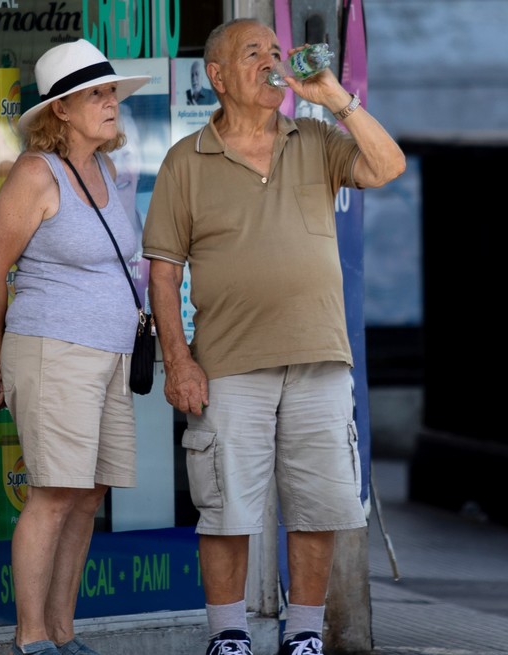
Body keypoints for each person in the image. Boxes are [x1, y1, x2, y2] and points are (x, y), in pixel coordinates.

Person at [142, 18, 406, 655]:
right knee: (226, 508)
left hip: (319, 357)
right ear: (216, 76)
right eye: (252, 52)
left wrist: (334, 96)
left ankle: (305, 637)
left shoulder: (314, 137)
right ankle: (229, 636)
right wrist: (178, 360)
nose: (270, 61)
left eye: (275, 51)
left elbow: (388, 165)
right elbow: (162, 270)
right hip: (229, 363)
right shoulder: (186, 159)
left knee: (319, 506)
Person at [0, 39, 149, 655]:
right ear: (62, 110)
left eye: (112, 92)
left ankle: (62, 633)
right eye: (96, 94)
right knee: (53, 495)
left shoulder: (106, 170)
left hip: (110, 355)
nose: (111, 103)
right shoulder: (35, 173)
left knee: (87, 495)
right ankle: (31, 639)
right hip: (54, 352)